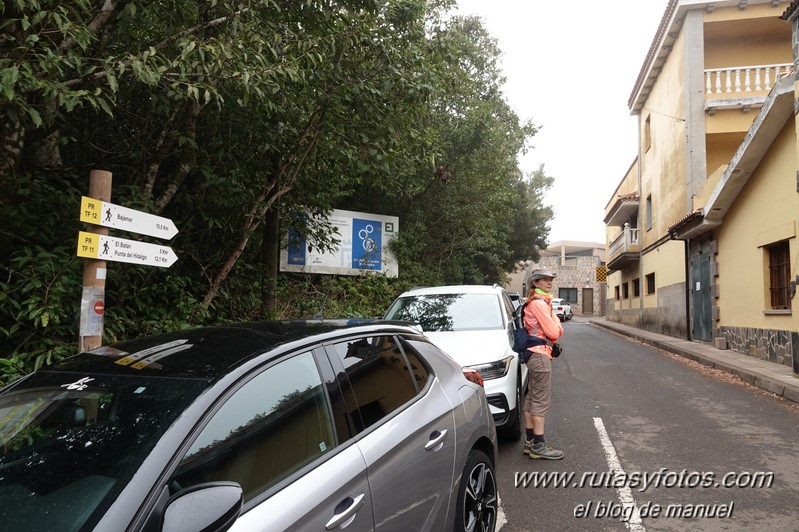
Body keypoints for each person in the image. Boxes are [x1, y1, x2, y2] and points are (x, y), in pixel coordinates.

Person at [521, 269, 564, 460]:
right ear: (535, 283)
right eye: (544, 279)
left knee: (531, 398)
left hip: (533, 354)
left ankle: (530, 441)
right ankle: (539, 445)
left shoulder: (536, 302)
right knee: (540, 400)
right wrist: (554, 316)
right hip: (540, 355)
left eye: (550, 279)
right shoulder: (539, 304)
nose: (549, 282)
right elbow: (555, 332)